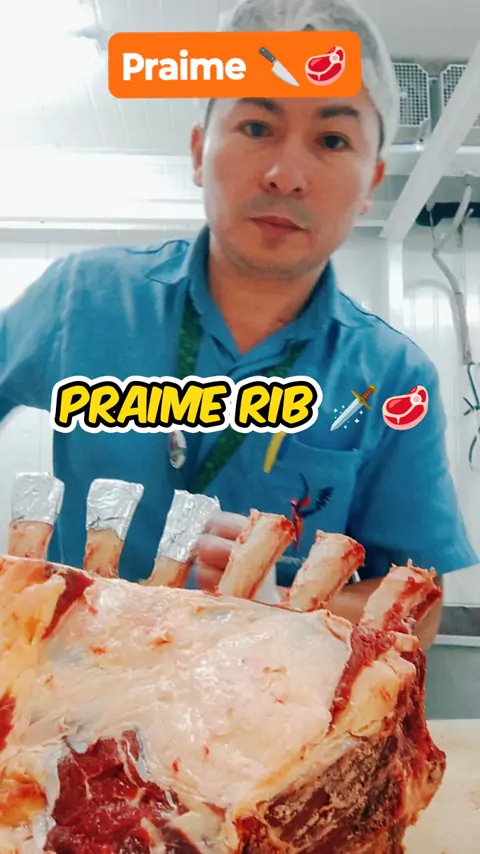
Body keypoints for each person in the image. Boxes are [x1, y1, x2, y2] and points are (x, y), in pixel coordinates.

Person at [0, 0, 477, 648]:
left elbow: (419, 606)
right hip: (76, 694)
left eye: (332, 140)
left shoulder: (391, 378)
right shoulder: (83, 299)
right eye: (257, 126)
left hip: (274, 701)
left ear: (371, 182)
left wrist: (288, 606)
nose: (286, 175)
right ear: (201, 150)